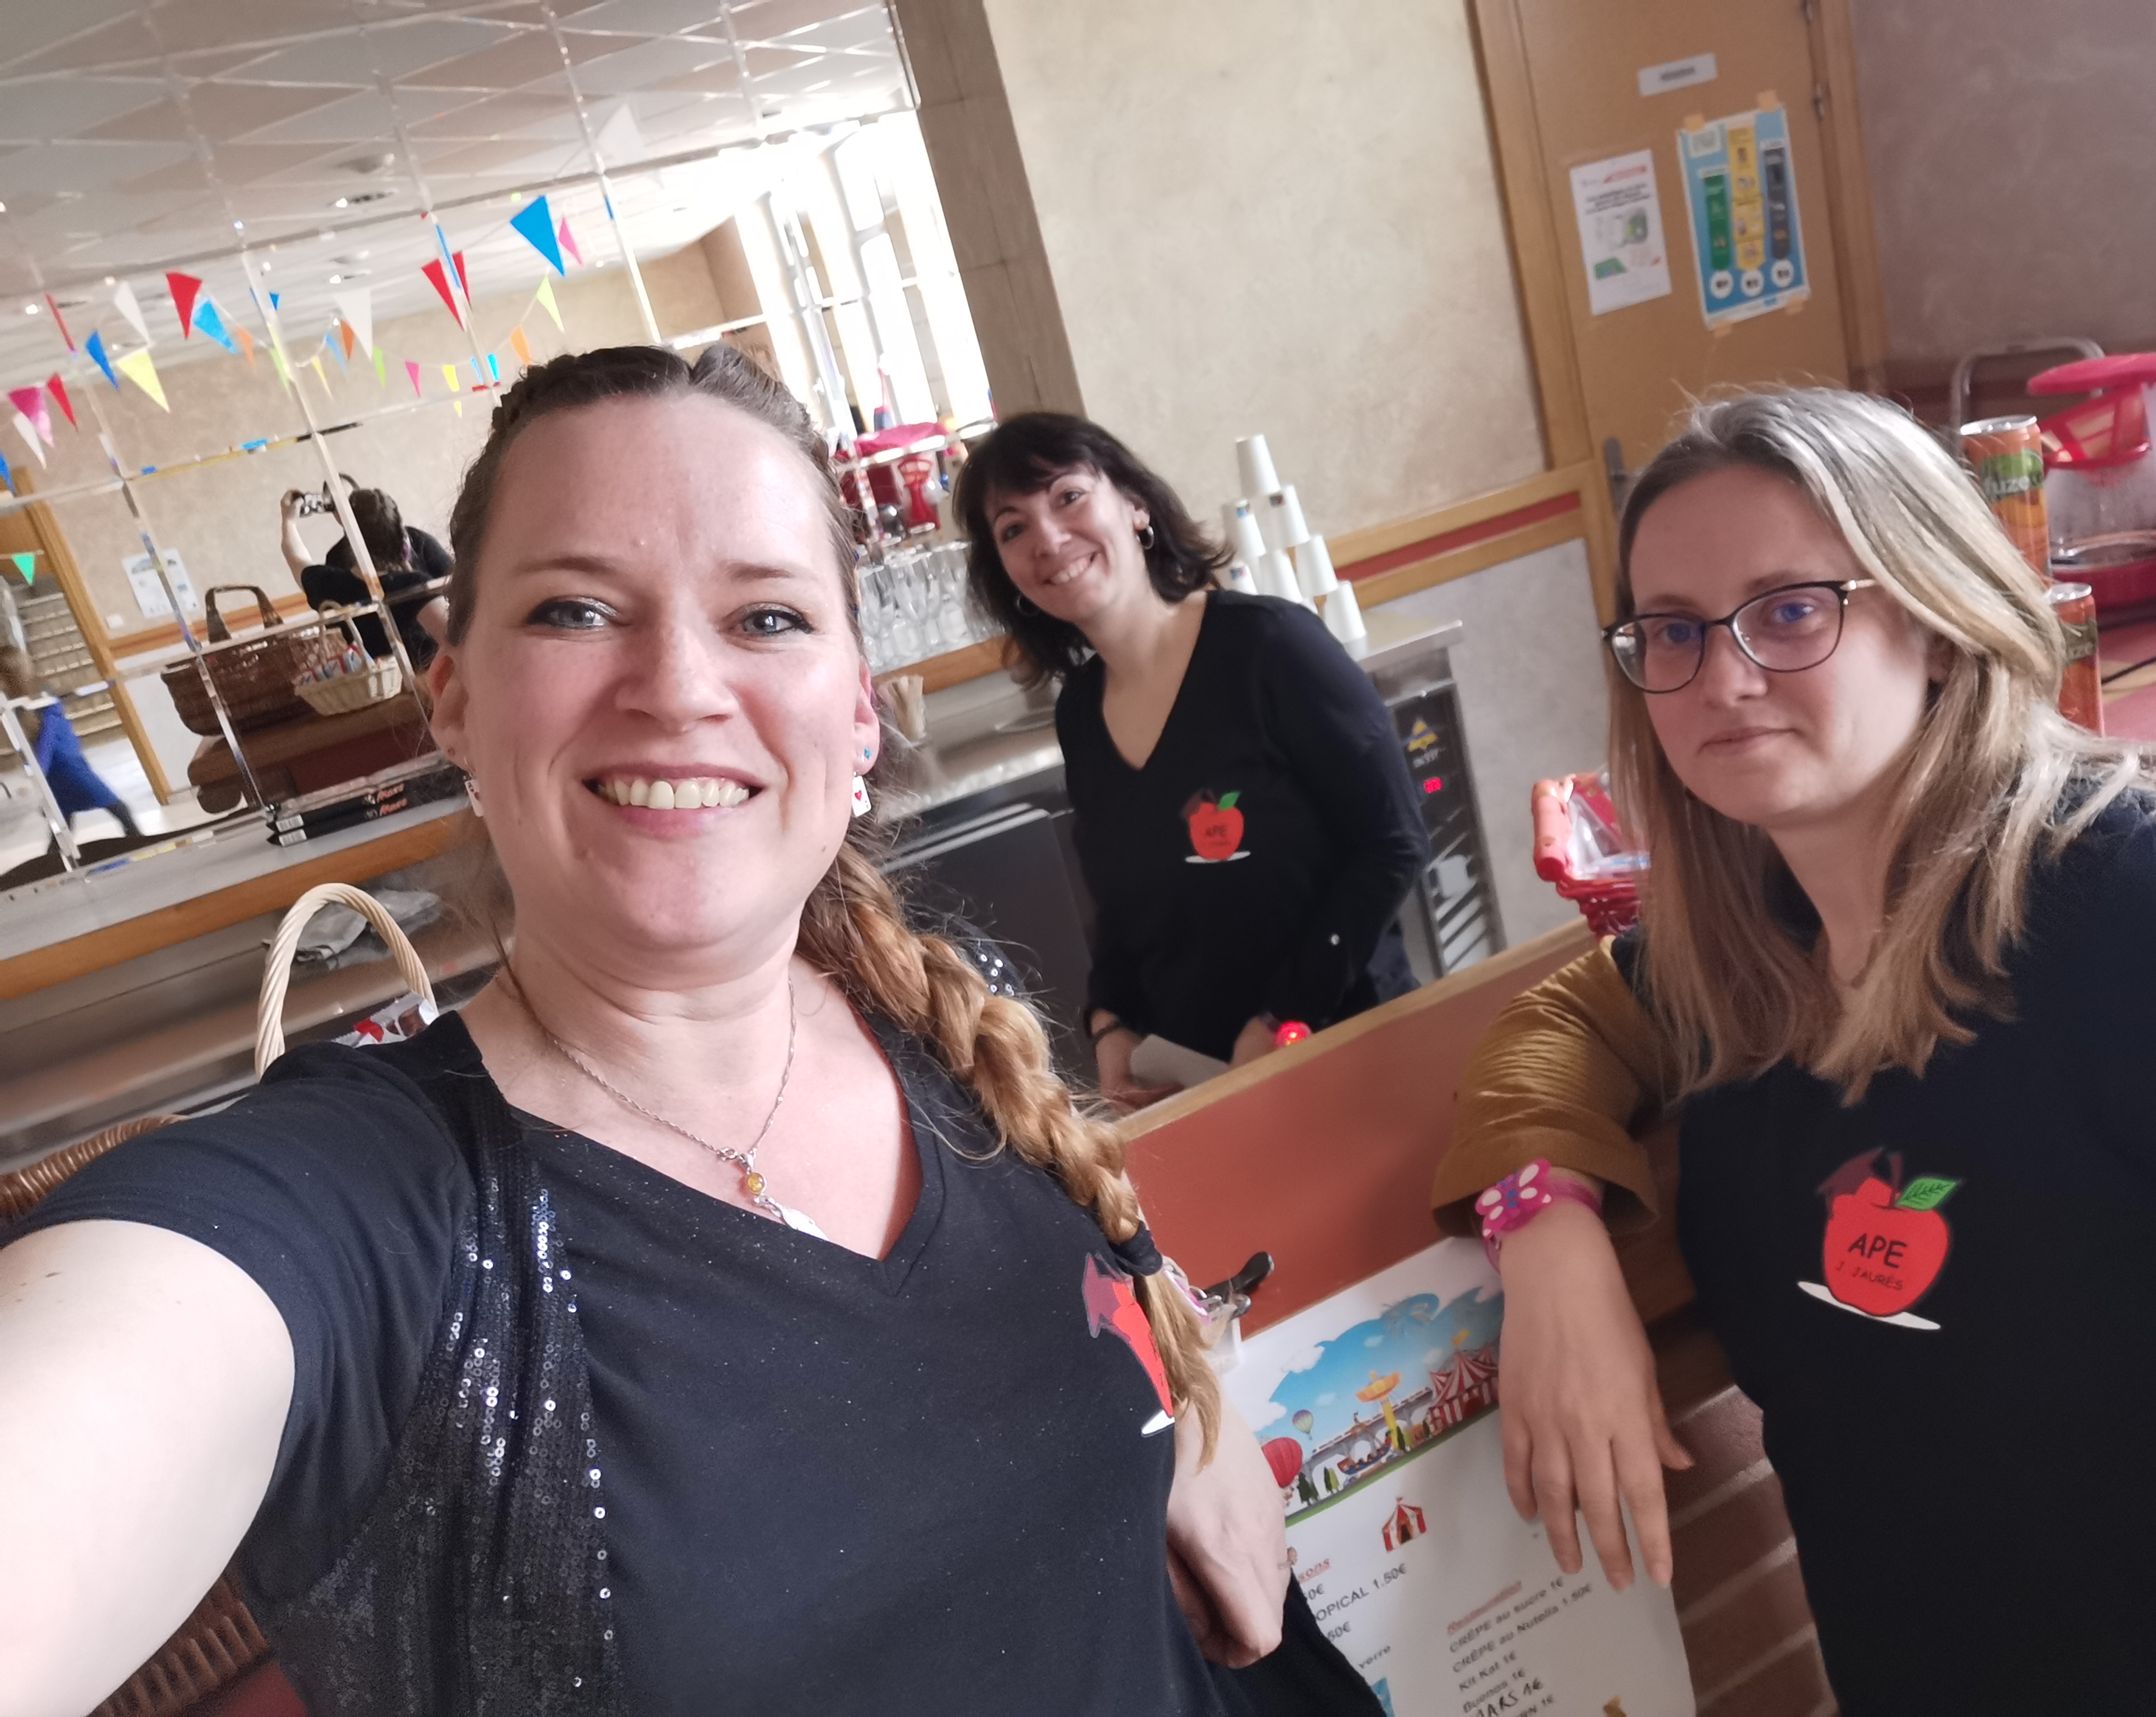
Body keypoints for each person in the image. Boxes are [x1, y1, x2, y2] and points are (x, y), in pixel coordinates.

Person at [1, 346, 1368, 1716]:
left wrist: (1192, 1422)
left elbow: (1103, 1297)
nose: (676, 685)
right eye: (575, 610)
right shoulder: (358, 1215)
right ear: (453, 697)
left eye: (766, 617)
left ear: (857, 710)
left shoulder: (944, 1026)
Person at [1434, 388, 2156, 1713]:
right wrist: (1545, 1235)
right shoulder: (1749, 949)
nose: (1722, 678)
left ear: (1934, 621)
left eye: (1789, 611)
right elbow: (1561, 1026)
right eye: (1673, 631)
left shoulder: (2148, 907)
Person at [958, 416, 1430, 1106]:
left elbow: (1394, 842)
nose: (1049, 540)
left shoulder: (1269, 646)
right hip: (1200, 1080)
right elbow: (1122, 907)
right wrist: (1109, 1019)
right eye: (1013, 528)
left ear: (1134, 505)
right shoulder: (1081, 712)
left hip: (1343, 1044)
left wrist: (1284, 1015)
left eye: (1068, 497)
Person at [278, 483, 449, 669]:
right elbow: (455, 642)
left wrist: (289, 521)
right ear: (400, 531)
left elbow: (296, 559)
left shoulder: (331, 585)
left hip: (374, 683)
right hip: (432, 679)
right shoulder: (416, 586)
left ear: (349, 538)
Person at [0, 642, 141, 840]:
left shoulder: (37, 694)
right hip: (58, 761)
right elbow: (30, 738)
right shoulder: (21, 698)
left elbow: (47, 736)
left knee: (96, 801)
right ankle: (134, 838)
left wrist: (37, 769)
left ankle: (136, 837)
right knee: (71, 809)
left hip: (62, 760)